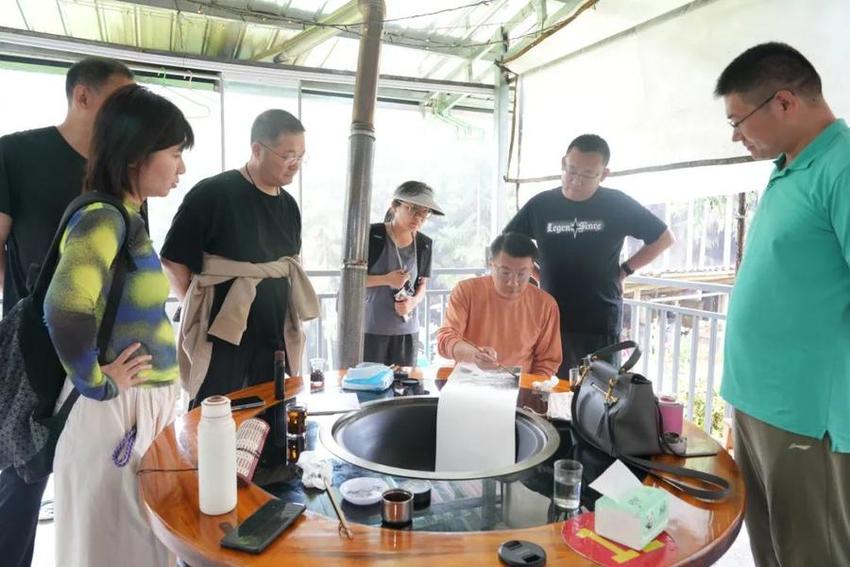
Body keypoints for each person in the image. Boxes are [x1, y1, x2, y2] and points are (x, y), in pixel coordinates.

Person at [43, 84, 192, 566]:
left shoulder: (126, 215)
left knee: (138, 540)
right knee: (112, 542)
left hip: (135, 408)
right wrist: (99, 383)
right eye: (174, 153)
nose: (181, 168)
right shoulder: (102, 218)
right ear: (135, 156)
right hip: (113, 412)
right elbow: (64, 307)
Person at [716, 42, 850, 566]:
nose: (735, 135)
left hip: (806, 413)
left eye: (739, 119)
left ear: (785, 102)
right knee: (768, 546)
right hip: (758, 402)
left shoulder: (841, 165)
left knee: (811, 552)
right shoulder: (790, 165)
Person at [0, 56, 133, 567]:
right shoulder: (17, 152)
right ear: (83, 96)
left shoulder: (120, 174)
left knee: (101, 474)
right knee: (23, 480)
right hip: (36, 352)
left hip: (104, 353)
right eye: (119, 100)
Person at [161, 109, 317, 408]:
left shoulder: (289, 206)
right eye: (288, 155)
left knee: (269, 422)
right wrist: (196, 308)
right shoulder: (213, 193)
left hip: (274, 337)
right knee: (214, 420)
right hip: (221, 338)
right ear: (257, 149)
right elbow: (173, 260)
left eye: (301, 157)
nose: (295, 165)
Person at [504, 134, 674, 375]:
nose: (575, 181)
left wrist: (625, 270)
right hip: (550, 317)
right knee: (547, 391)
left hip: (599, 319)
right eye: (571, 171)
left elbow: (664, 238)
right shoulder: (541, 204)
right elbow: (509, 243)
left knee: (597, 394)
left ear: (604, 174)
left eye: (587, 174)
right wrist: (536, 273)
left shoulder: (617, 204)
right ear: (563, 163)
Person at [436, 232, 561, 376]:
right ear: (491, 265)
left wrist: (530, 392)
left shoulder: (545, 305)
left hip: (519, 387)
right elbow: (446, 339)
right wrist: (475, 355)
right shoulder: (466, 291)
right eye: (505, 273)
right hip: (469, 383)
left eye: (521, 274)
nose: (513, 282)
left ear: (532, 269)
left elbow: (548, 361)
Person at [364, 181, 442, 366]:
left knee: (406, 388)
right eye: (413, 209)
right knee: (369, 387)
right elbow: (349, 282)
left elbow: (422, 285)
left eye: (424, 213)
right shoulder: (372, 235)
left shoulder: (424, 243)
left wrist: (412, 302)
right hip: (371, 328)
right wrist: (386, 279)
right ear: (394, 206)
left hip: (407, 330)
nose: (419, 218)